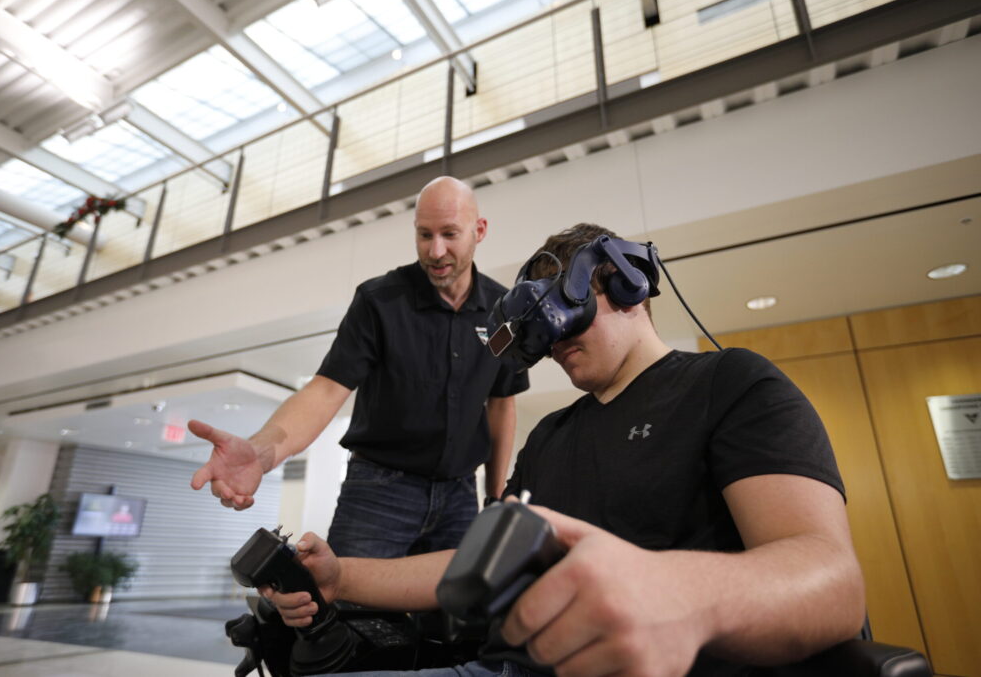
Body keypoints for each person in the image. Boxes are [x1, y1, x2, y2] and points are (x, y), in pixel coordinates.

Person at [260, 223, 866, 676]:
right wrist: (343, 577)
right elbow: (473, 564)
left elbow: (832, 582)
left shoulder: (731, 384)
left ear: (628, 285)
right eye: (539, 332)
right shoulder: (550, 436)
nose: (552, 345)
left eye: (564, 316)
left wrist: (683, 593)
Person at [188, 176, 529, 557]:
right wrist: (260, 452)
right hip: (379, 493)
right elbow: (325, 390)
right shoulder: (379, 301)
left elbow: (502, 402)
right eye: (424, 235)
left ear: (479, 230)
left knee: (449, 614)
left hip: (461, 496)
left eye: (450, 234)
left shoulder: (504, 311)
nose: (435, 251)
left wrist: (496, 496)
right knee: (350, 612)